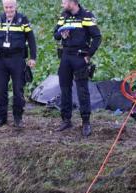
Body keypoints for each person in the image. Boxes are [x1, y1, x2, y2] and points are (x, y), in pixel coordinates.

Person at [0, 0, 37, 129]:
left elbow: (31, 39)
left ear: (16, 6)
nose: (8, 10)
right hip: (1, 59)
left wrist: (33, 57)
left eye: (11, 7)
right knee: (0, 90)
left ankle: (18, 118)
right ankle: (0, 119)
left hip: (17, 59)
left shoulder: (23, 19)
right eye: (6, 7)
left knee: (18, 90)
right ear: (3, 7)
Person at [53, 0, 101, 137]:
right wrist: (61, 34)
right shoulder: (64, 16)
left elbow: (97, 37)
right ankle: (66, 120)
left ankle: (86, 122)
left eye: (64, 2)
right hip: (66, 56)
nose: (62, 4)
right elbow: (55, 34)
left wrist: (89, 54)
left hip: (80, 57)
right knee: (64, 88)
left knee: (82, 90)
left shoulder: (86, 16)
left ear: (72, 2)